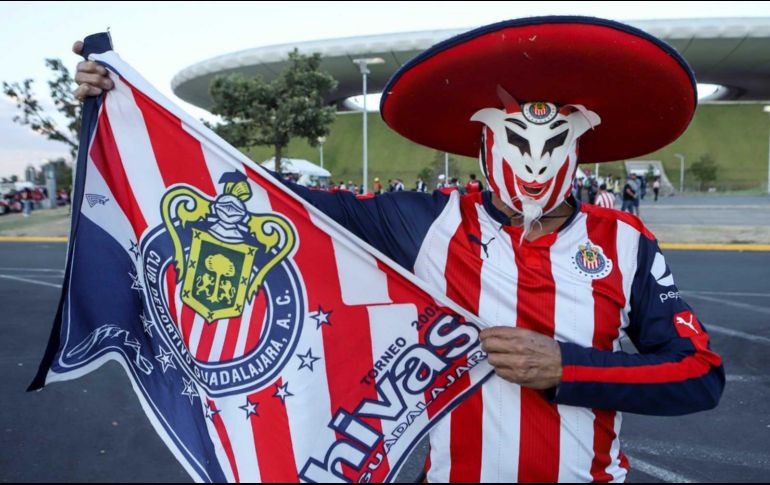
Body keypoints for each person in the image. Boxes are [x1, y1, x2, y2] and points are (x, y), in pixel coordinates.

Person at [74, 16, 723, 483]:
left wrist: (568, 366)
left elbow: (699, 373)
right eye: (516, 139)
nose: (534, 162)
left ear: (579, 145)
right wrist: (127, 103)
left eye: (552, 142)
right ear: (482, 146)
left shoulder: (624, 244)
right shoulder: (425, 222)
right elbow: (275, 200)